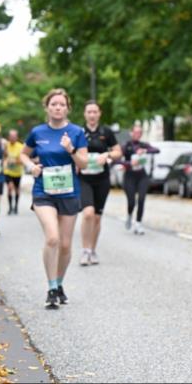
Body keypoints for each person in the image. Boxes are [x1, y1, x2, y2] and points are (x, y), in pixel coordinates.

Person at [20, 88, 88, 309]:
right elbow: (23, 154)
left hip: (69, 192)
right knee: (52, 238)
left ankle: (59, 283)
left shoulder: (76, 132)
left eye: (62, 104)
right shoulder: (37, 132)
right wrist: (31, 166)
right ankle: (50, 288)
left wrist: (70, 150)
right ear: (47, 108)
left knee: (66, 246)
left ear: (67, 108)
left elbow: (84, 164)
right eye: (54, 104)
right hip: (44, 192)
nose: (58, 108)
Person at [78, 100, 122, 264]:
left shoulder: (106, 131)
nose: (92, 115)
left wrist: (108, 155)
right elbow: (71, 151)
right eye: (89, 112)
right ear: (84, 114)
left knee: (97, 217)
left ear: (99, 113)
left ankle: (92, 250)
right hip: (84, 178)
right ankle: (84, 250)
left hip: (102, 179)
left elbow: (118, 152)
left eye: (94, 112)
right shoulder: (79, 132)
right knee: (88, 213)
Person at [121, 122, 159, 234]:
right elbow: (117, 160)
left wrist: (145, 151)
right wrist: (129, 163)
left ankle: (138, 224)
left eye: (140, 132)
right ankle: (129, 215)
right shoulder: (126, 145)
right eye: (136, 132)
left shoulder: (143, 145)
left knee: (142, 199)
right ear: (131, 133)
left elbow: (157, 150)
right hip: (129, 176)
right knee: (132, 202)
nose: (138, 134)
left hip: (142, 176)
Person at [4, 129, 25, 215]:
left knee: (17, 190)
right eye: (11, 136)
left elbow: (23, 160)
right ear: (8, 137)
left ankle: (16, 207)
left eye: (14, 136)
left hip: (17, 172)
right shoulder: (5, 145)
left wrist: (15, 161)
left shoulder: (21, 146)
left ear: (17, 137)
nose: (12, 138)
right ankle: (10, 208)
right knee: (10, 187)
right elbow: (3, 157)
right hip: (8, 171)